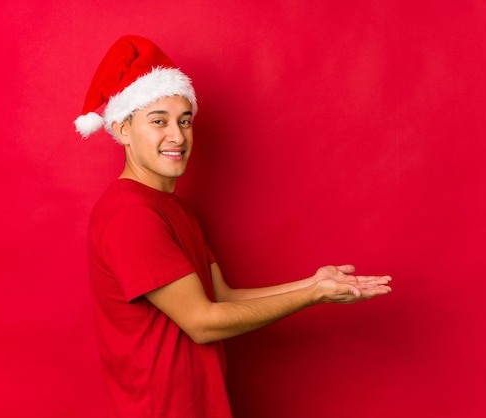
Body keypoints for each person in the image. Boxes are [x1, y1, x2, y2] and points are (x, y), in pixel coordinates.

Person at [76, 35, 392, 418]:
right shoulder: (130, 216)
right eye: (158, 122)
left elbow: (220, 298)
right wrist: (311, 297)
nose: (177, 135)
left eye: (185, 121)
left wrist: (314, 283)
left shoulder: (173, 209)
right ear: (123, 131)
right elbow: (203, 323)